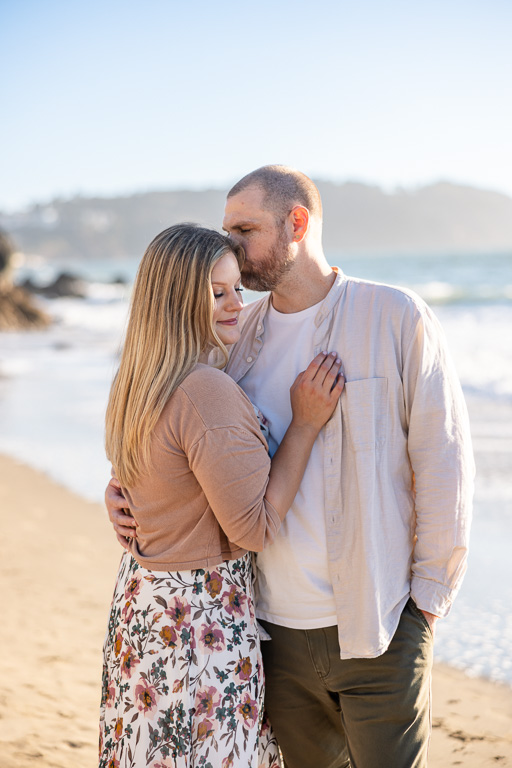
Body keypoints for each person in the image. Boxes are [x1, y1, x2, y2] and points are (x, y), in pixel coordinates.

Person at [106, 167, 475, 768]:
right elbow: (183, 434)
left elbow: (445, 463)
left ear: (296, 224)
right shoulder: (233, 336)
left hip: (377, 626)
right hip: (268, 630)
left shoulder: (395, 317)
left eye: (243, 230)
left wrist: (427, 605)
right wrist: (125, 492)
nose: (230, 246)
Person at [99, 222, 343, 768]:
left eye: (238, 288)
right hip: (197, 621)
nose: (237, 304)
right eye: (217, 293)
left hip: (143, 611)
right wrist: (304, 425)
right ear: (178, 298)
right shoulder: (206, 389)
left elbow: (146, 475)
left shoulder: (136, 380)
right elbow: (253, 528)